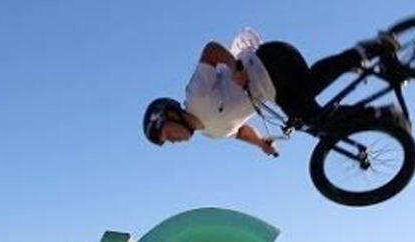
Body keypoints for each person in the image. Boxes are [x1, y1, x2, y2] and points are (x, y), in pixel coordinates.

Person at [142, 28, 399, 153]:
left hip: (270, 60)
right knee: (317, 124)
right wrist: (261, 145)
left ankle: (366, 50)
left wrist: (235, 68)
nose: (173, 140)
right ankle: (383, 116)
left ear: (171, 115)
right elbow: (239, 130)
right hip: (276, 92)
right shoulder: (212, 133)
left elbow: (210, 50)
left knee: (307, 87)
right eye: (168, 141)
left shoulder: (195, 95)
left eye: (167, 134)